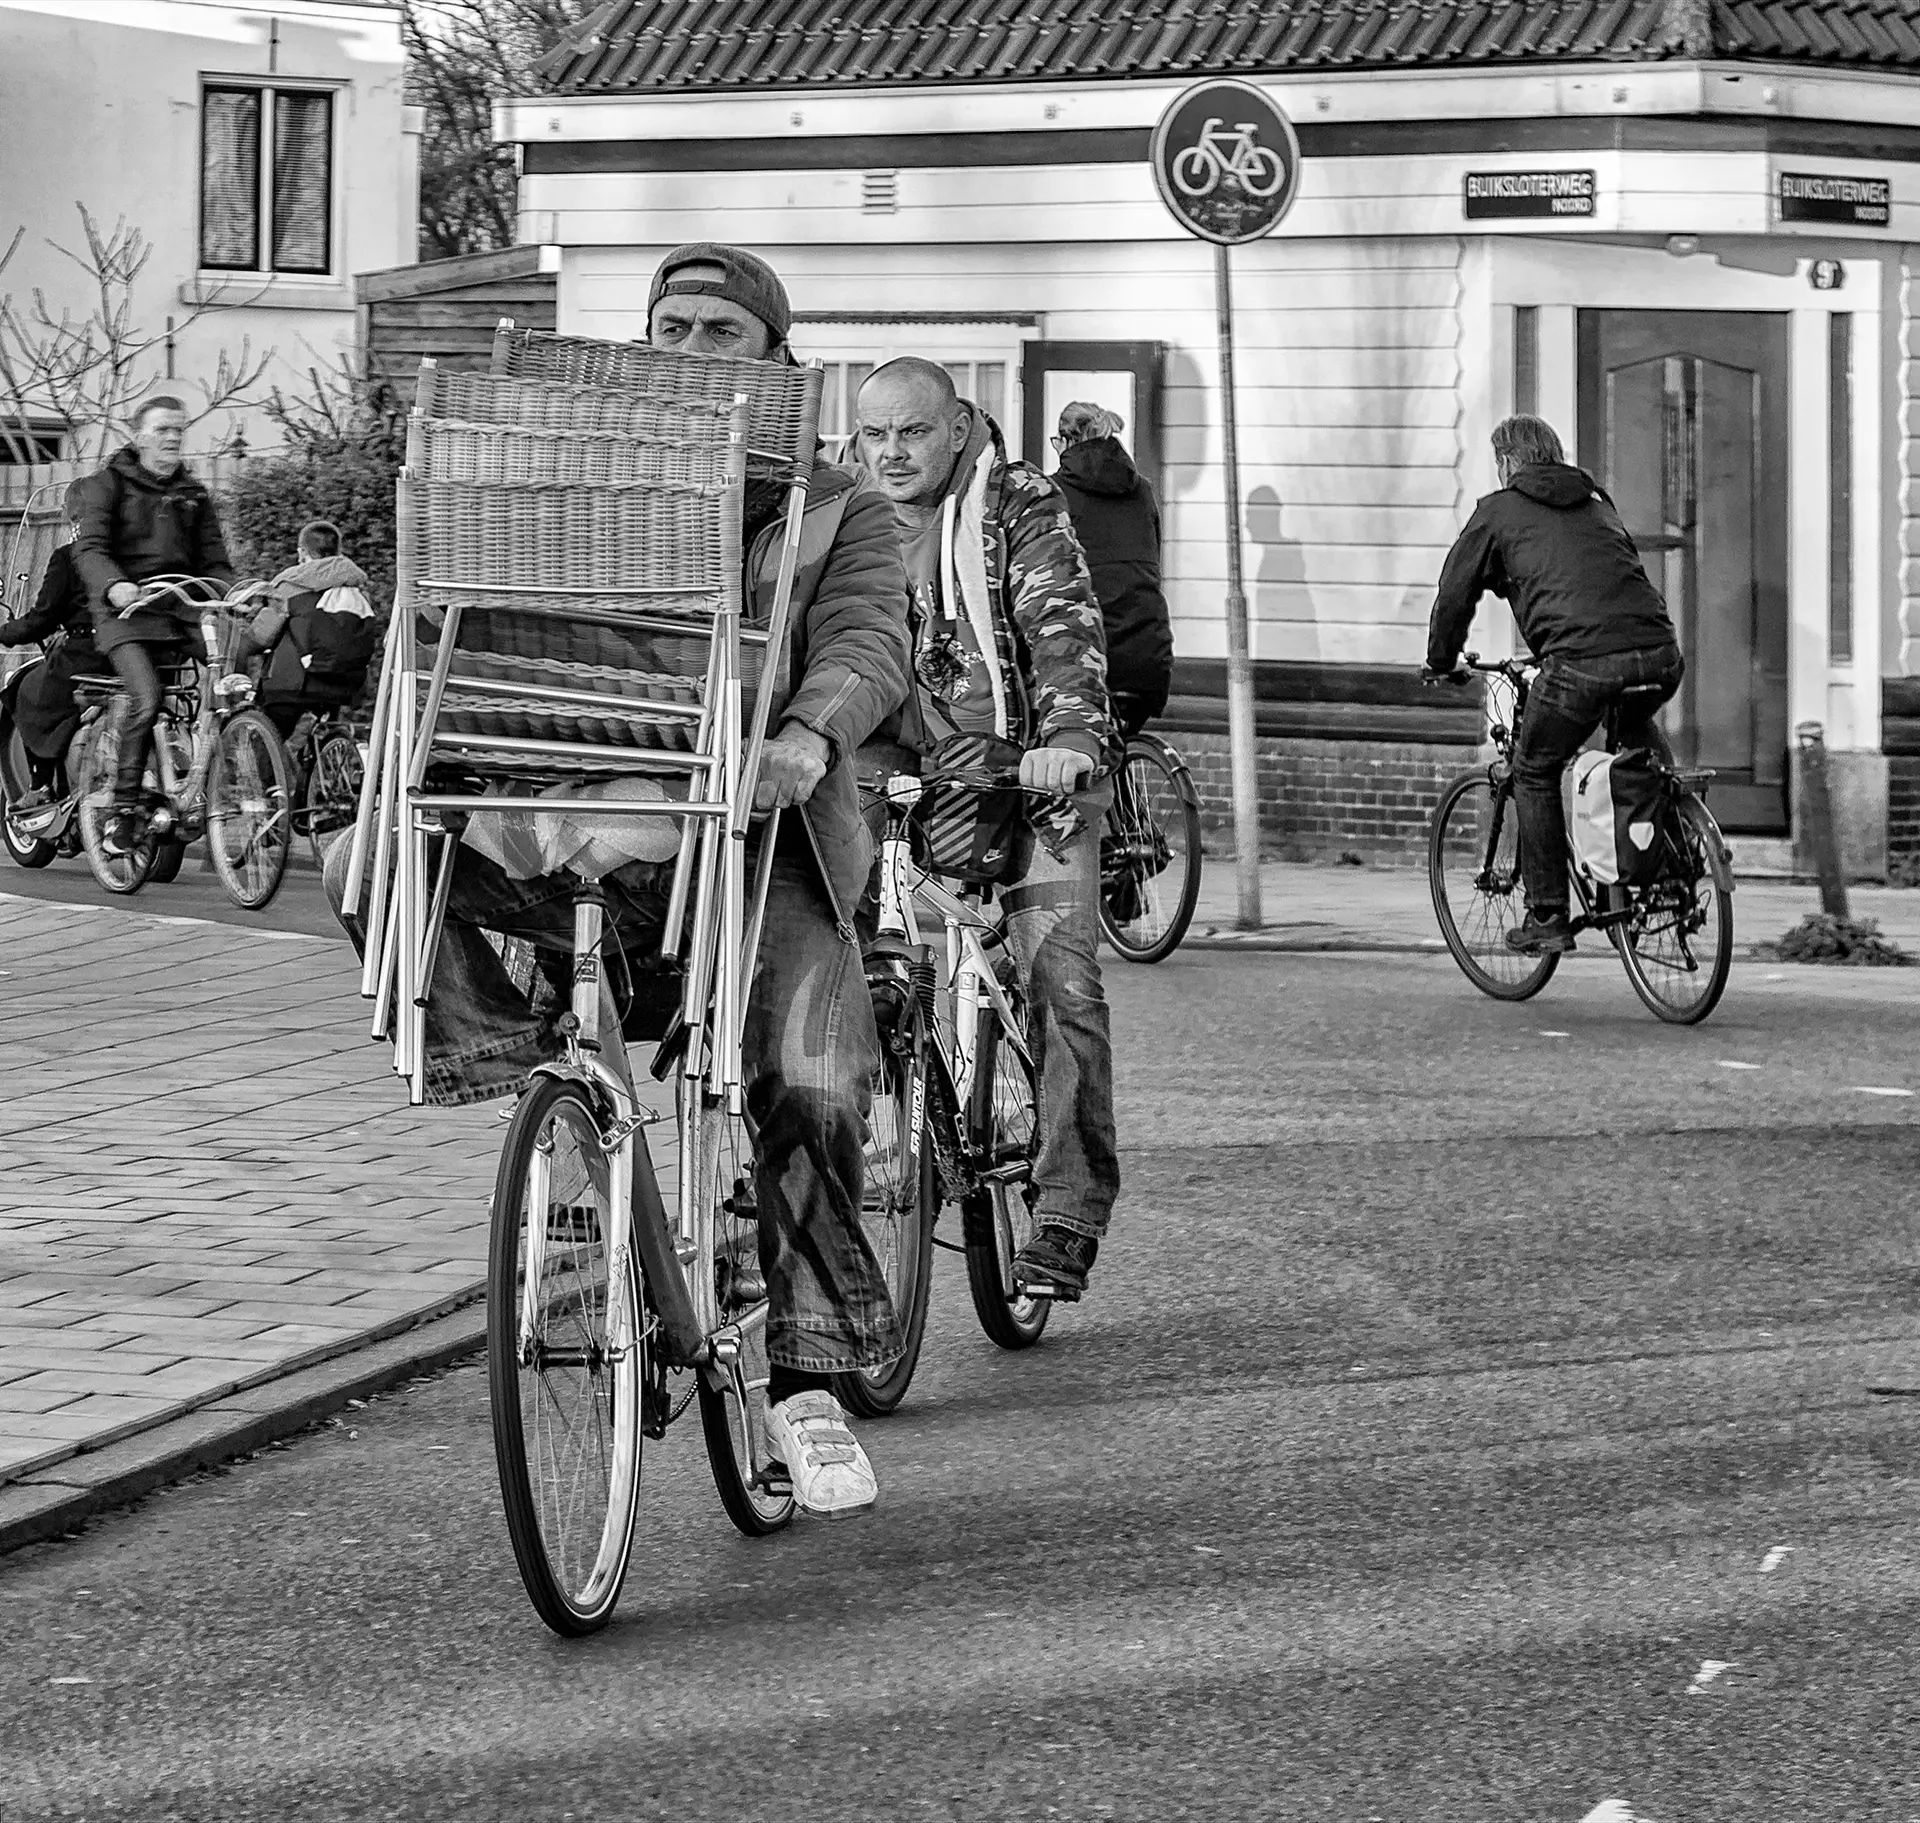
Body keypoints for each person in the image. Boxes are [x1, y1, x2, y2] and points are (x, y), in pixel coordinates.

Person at [327, 242, 911, 1518]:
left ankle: (809, 1374)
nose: (689, 348)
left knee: (813, 1072)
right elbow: (451, 607)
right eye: (671, 326)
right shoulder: (562, 469)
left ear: (777, 358)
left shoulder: (835, 506)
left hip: (758, 832)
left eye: (721, 331)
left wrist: (807, 736)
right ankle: (553, 1096)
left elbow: (869, 641)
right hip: (572, 794)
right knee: (365, 865)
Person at [853, 357, 1121, 1302]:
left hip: (1028, 772)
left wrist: (1070, 739)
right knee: (825, 947)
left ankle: (1067, 1212)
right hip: (898, 766)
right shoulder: (847, 510)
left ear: (959, 427)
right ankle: (828, 1162)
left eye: (913, 432)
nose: (891, 452)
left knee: (1061, 976)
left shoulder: (1017, 503)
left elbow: (1062, 626)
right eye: (874, 434)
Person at [1424, 413, 1683, 956]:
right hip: (1660, 654)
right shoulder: (1597, 501)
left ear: (1507, 462)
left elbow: (1455, 593)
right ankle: (1674, 865)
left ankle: (1547, 915)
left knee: (1534, 769)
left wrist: (1442, 660)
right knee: (1636, 735)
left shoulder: (1497, 511)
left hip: (1581, 663)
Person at [69, 396, 234, 854]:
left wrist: (230, 593)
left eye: (179, 429)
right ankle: (122, 812)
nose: (173, 437)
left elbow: (215, 560)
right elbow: (90, 549)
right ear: (138, 435)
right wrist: (115, 585)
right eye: (162, 429)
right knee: (146, 697)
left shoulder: (193, 494)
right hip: (125, 615)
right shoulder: (107, 485)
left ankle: (223, 768)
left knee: (236, 672)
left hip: (181, 607)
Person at [1051, 402, 1173, 740]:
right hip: (1149, 652)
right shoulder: (1142, 490)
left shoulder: (1052, 494)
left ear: (1065, 441)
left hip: (1087, 656)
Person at [0, 493, 105, 805]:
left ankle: (41, 785)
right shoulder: (123, 554)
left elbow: (41, 619)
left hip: (85, 655)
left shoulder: (69, 557)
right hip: (124, 653)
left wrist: (5, 633)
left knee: (23, 691)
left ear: (70, 514)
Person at [237, 519, 378, 740]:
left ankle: (268, 762)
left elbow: (263, 636)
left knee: (268, 741)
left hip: (290, 684)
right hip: (342, 683)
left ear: (302, 552)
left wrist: (242, 642)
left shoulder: (290, 585)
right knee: (320, 736)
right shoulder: (357, 586)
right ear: (337, 551)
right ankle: (323, 755)